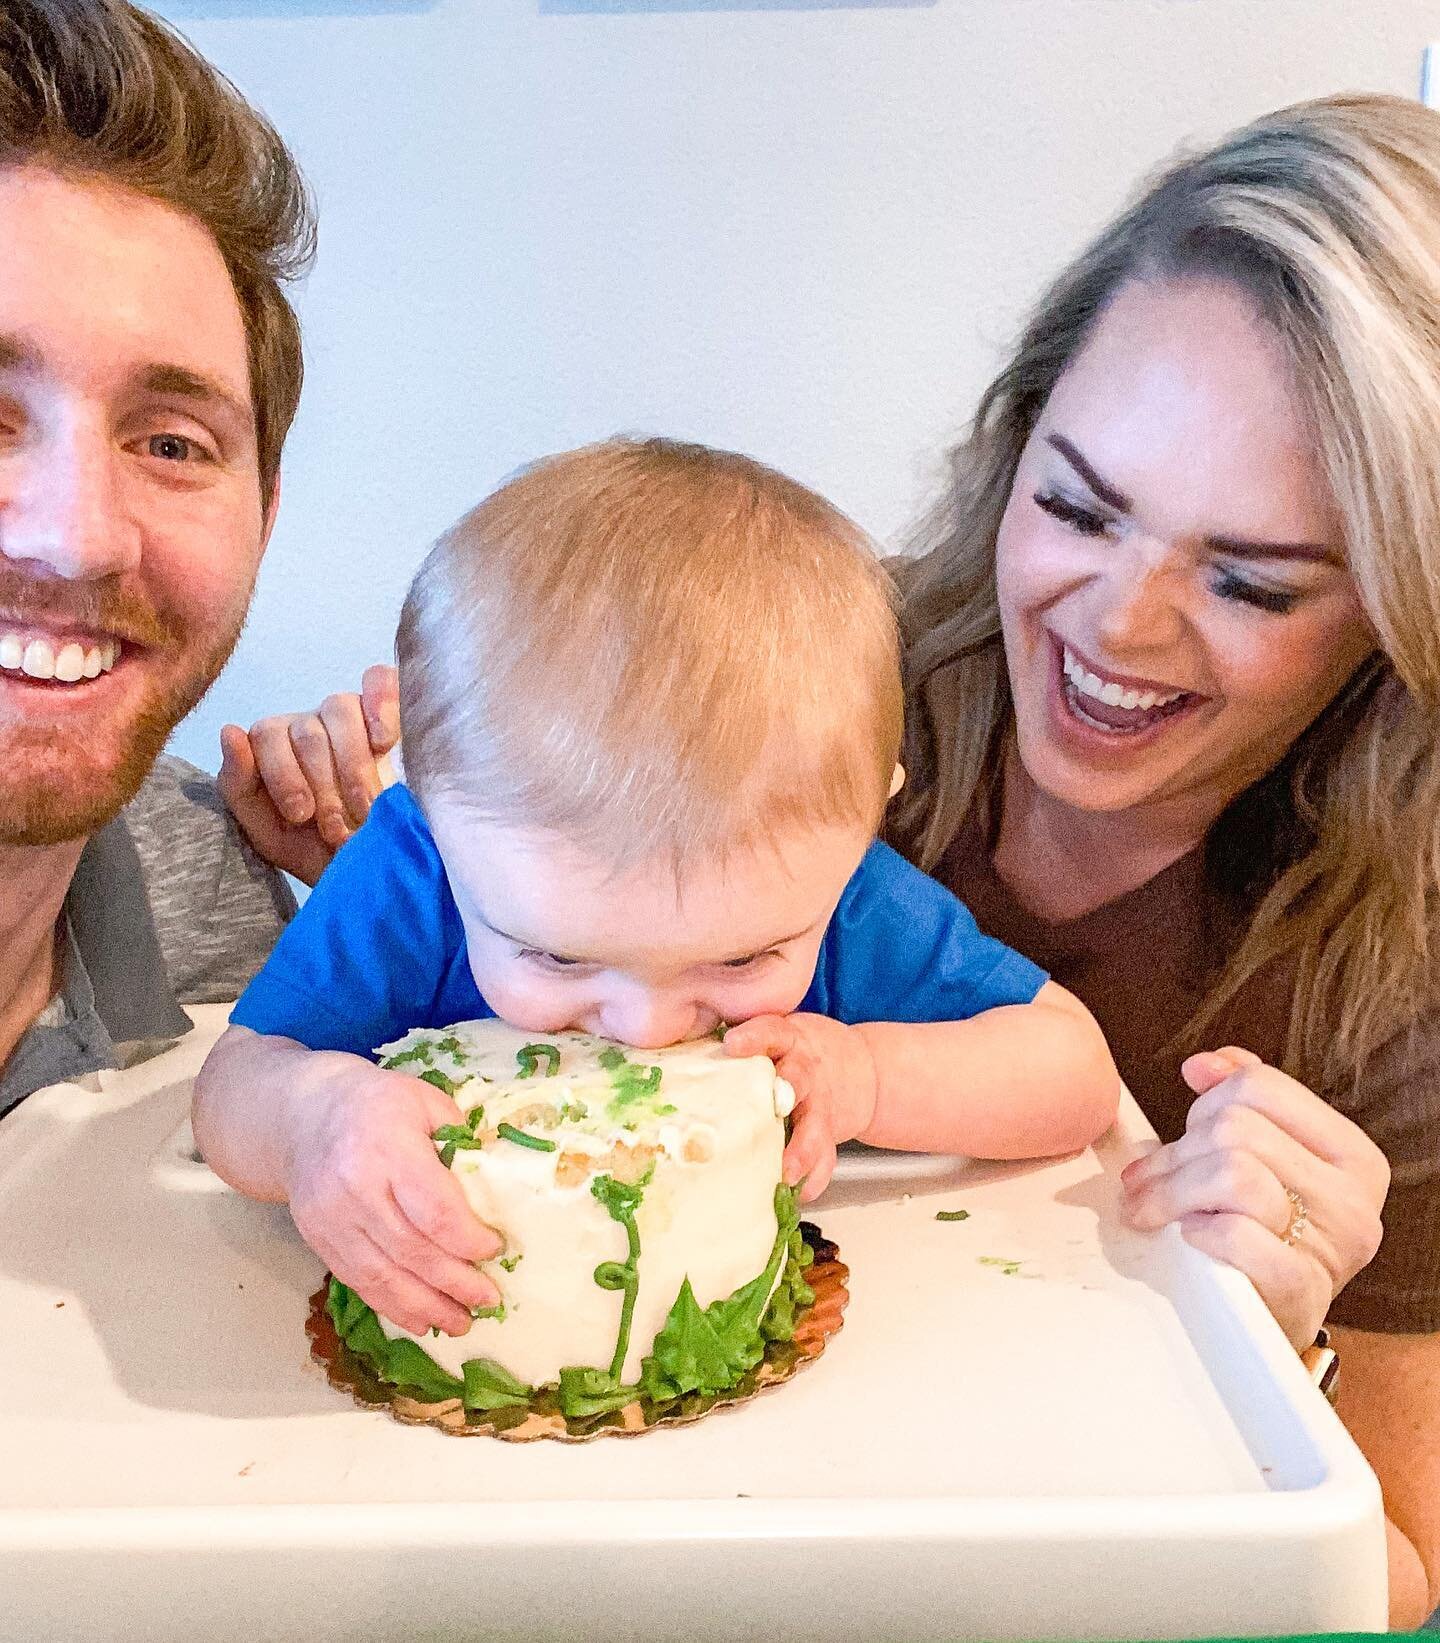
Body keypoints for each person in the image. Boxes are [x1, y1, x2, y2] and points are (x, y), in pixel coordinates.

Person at [239, 97, 1439, 1625]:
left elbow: (1395, 1581)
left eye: (1252, 579)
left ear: (1398, 612)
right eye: (1074, 501)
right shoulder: (767, 710)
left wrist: (1281, 1341)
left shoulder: (1388, 992)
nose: (1119, 627)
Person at [193, 437, 1120, 1339]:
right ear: (432, 812)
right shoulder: (408, 879)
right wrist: (314, 1119)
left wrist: (871, 1077)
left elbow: (1074, 1075)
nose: (645, 1025)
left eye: (743, 955)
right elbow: (232, 1085)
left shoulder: (842, 897)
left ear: (863, 827)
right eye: (555, 954)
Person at [0, 0, 316, 1118]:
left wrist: (410, 894)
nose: (78, 537)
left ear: (263, 519)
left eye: (173, 443)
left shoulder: (219, 902)